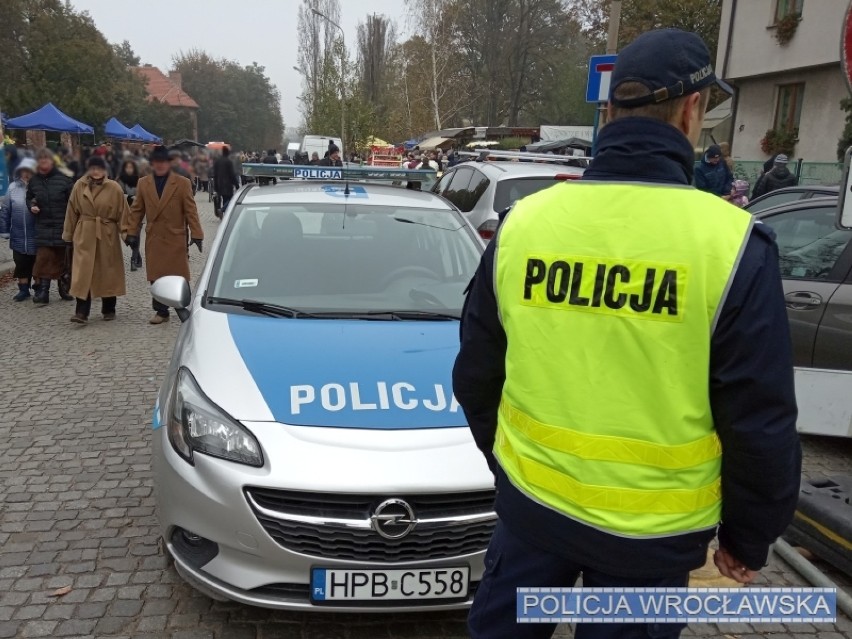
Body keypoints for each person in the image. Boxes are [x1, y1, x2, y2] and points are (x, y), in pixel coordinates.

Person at [453, 28, 801, 639]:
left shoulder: (526, 224)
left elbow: (476, 371)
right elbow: (758, 420)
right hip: (652, 543)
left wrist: (508, 470)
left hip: (533, 516)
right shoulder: (732, 244)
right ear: (693, 111)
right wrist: (748, 537)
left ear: (610, 111)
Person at [123, 145, 204, 325]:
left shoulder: (182, 183)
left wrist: (197, 234)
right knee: (157, 276)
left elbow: (191, 211)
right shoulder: (144, 183)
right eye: (156, 163)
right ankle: (161, 311)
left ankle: (182, 305)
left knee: (177, 275)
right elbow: (136, 210)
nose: (160, 166)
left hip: (175, 235)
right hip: (155, 236)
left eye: (163, 162)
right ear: (152, 164)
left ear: (169, 163)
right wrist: (131, 231)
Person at [62, 156, 129, 324]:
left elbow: (123, 212)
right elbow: (71, 211)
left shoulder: (114, 187)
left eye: (99, 168)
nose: (96, 171)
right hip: (85, 233)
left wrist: (128, 234)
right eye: (93, 168)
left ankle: (109, 308)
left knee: (108, 270)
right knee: (82, 273)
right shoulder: (79, 185)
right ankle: (81, 312)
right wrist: (68, 235)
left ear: (105, 170)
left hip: (106, 233)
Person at [26, 147, 74, 305]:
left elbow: (73, 202)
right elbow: (30, 197)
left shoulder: (64, 179)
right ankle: (44, 292)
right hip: (44, 226)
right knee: (44, 259)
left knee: (64, 259)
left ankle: (65, 288)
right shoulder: (33, 181)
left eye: (46, 159)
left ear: (52, 161)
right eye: (40, 160)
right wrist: (31, 205)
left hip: (62, 225)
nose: (43, 162)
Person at [0, 158, 38, 301]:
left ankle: (39, 287)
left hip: (36, 233)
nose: (26, 174)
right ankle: (23, 289)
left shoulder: (39, 186)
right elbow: (5, 210)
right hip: (18, 233)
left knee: (37, 262)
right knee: (21, 262)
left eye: (29, 171)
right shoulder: (12, 188)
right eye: (24, 171)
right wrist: (4, 230)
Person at [117, 160, 142, 271]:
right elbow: (117, 194)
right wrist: (128, 197)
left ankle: (133, 260)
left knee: (136, 235)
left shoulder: (140, 180)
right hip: (124, 213)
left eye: (131, 167)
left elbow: (143, 194)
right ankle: (138, 257)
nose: (129, 169)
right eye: (127, 167)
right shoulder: (120, 180)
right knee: (128, 237)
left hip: (138, 212)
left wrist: (138, 198)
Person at [212, 146, 240, 218]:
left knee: (224, 199)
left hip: (219, 184)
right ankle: (222, 210)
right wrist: (236, 185)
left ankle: (224, 214)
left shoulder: (217, 162)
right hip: (227, 184)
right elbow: (232, 174)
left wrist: (215, 186)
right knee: (231, 199)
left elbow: (215, 174)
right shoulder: (228, 162)